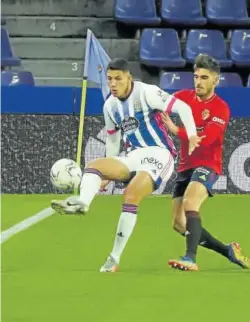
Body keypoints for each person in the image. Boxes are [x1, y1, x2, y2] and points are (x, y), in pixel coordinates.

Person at [51, 58, 201, 273]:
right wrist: (106, 176)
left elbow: (183, 108)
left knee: (131, 195)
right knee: (95, 166)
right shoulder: (110, 106)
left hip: (159, 154)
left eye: (118, 79)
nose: (113, 84)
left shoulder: (147, 92)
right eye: (109, 79)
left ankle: (114, 258)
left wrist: (193, 135)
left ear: (128, 78)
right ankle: (83, 202)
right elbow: (113, 141)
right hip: (133, 155)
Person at [161, 54, 250, 272]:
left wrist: (177, 131)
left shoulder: (220, 108)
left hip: (207, 165)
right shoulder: (183, 98)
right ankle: (227, 250)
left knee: (190, 203)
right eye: (196, 76)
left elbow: (208, 138)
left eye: (204, 77)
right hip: (185, 167)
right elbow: (161, 104)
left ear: (215, 80)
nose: (198, 82)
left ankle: (190, 259)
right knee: (179, 223)